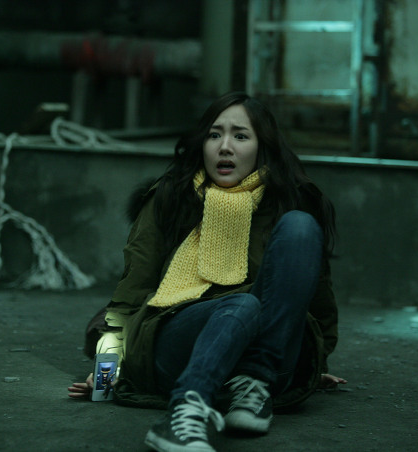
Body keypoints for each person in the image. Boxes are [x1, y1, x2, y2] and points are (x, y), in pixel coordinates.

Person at [68, 91, 346, 452]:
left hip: (263, 358)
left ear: (262, 147)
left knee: (300, 227)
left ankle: (254, 385)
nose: (224, 147)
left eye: (240, 136)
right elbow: (129, 296)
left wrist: (313, 363)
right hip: (175, 342)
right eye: (215, 135)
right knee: (242, 305)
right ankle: (183, 413)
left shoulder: (288, 202)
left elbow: (315, 299)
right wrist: (107, 371)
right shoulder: (171, 197)